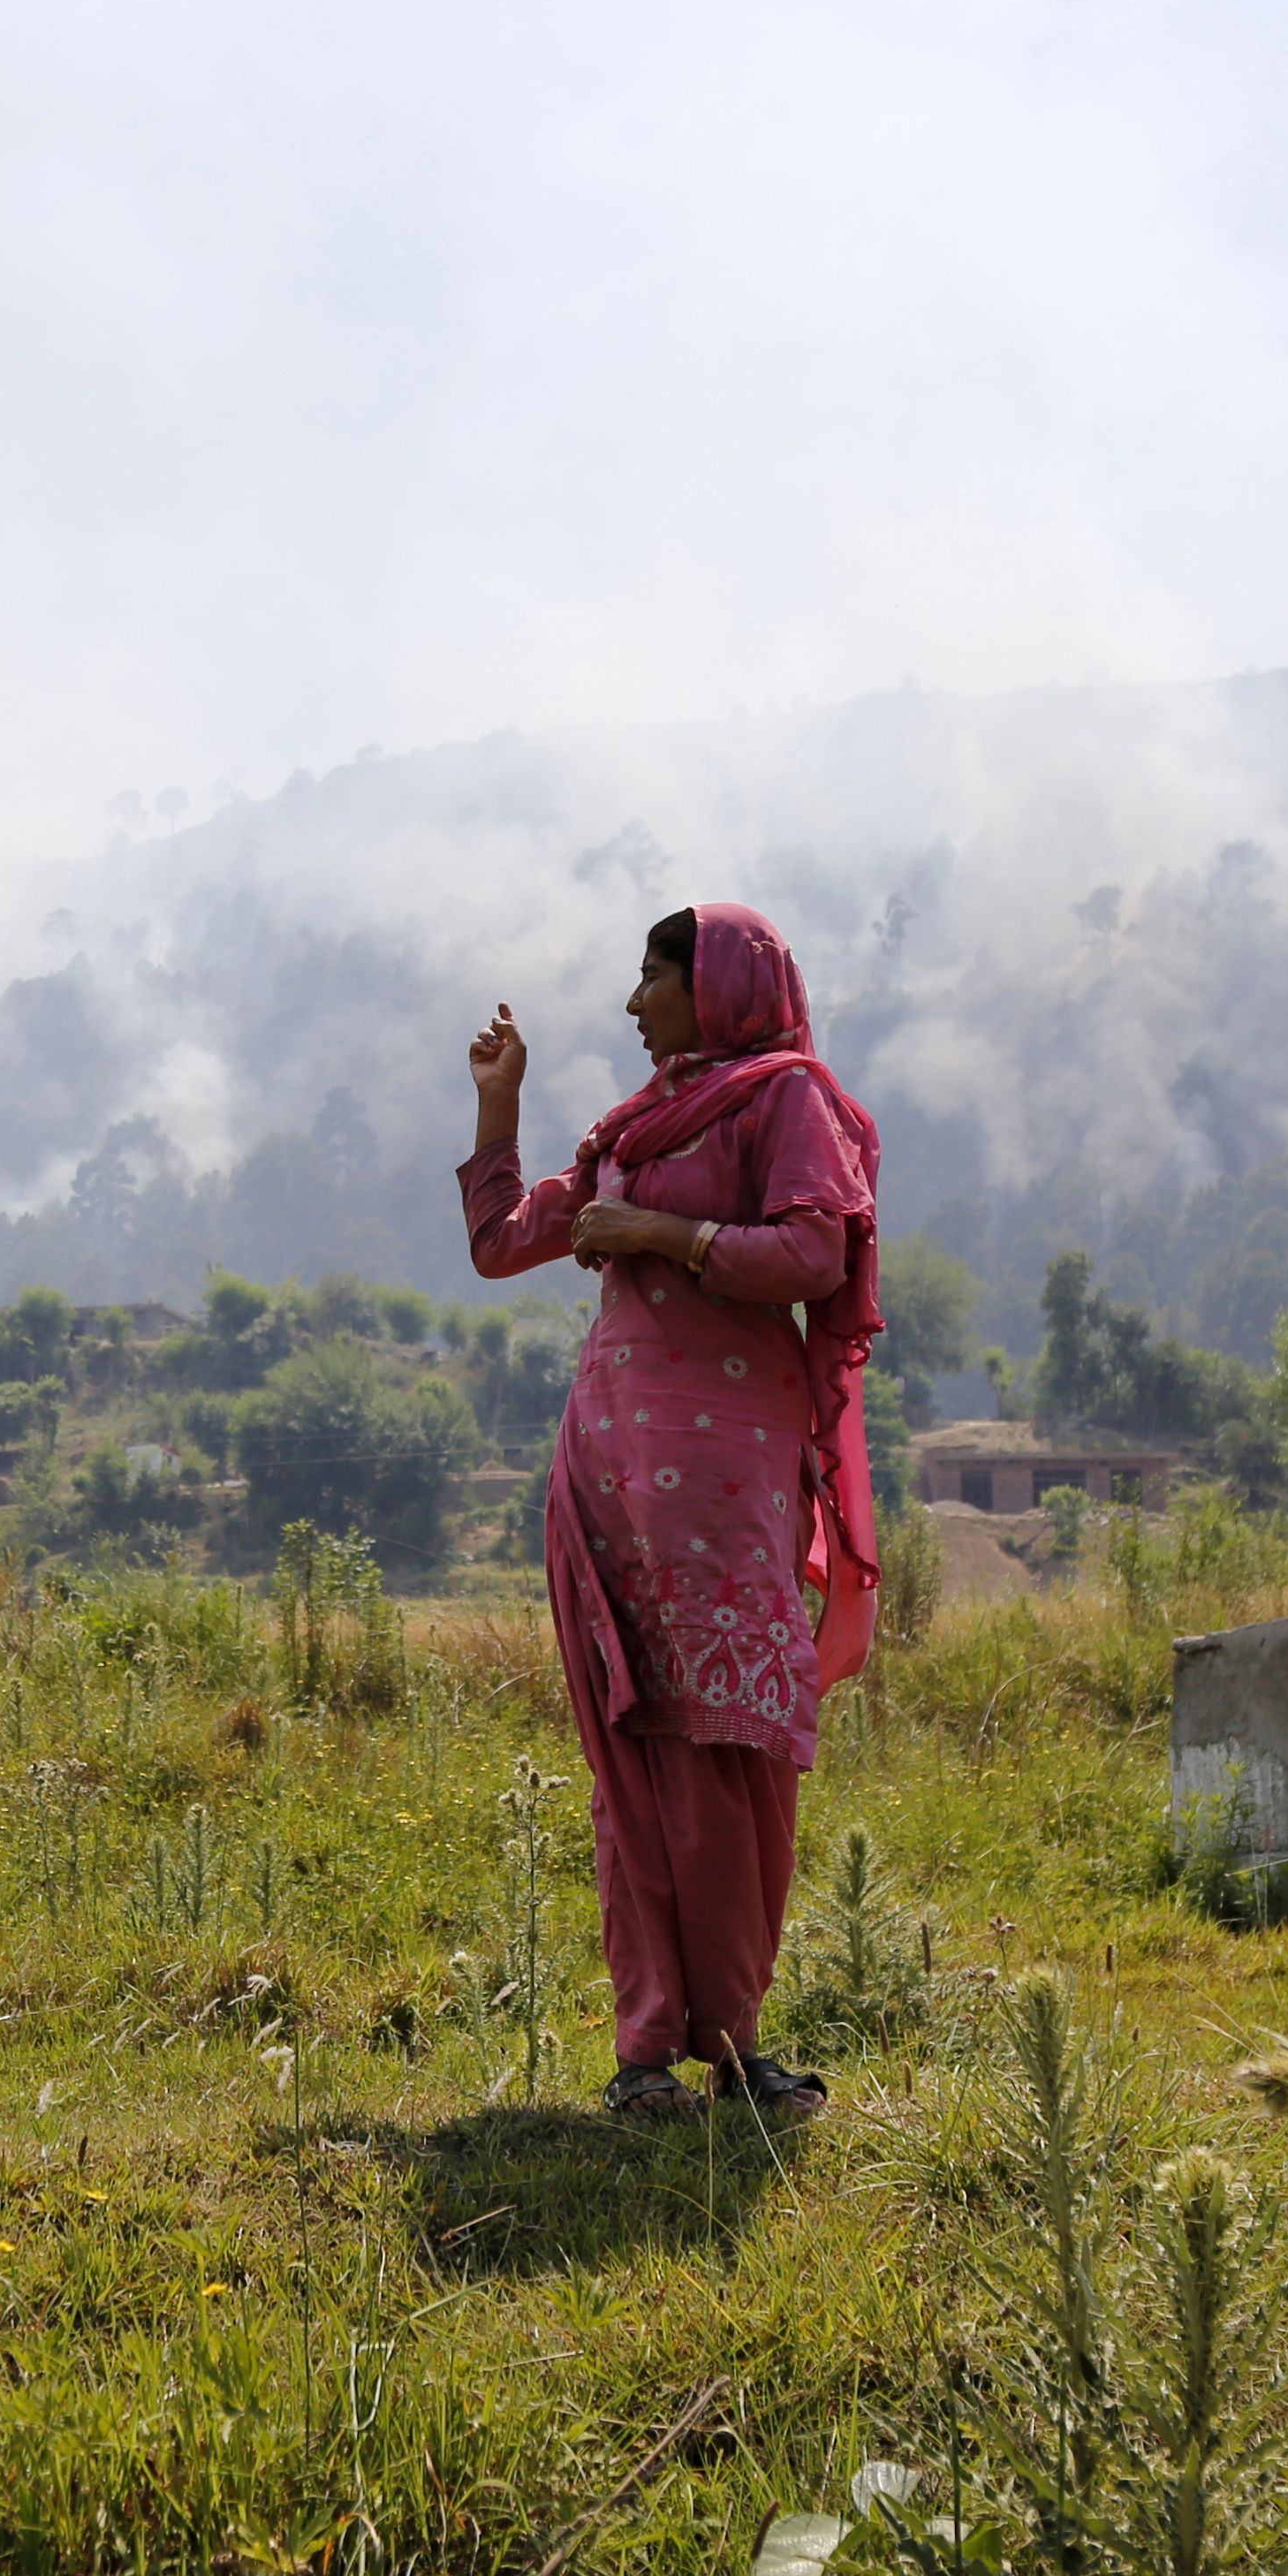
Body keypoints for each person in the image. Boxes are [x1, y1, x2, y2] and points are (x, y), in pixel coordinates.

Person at [461, 903, 884, 2122]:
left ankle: (737, 2042)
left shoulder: (786, 1102)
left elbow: (813, 1254)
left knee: (737, 1738)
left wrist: (658, 1231)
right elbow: (500, 1245)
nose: (634, 1004)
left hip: (730, 1474)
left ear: (719, 986)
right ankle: (646, 2049)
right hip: (608, 1467)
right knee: (634, 1746)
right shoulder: (634, 1127)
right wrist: (502, 1102)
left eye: (653, 979)